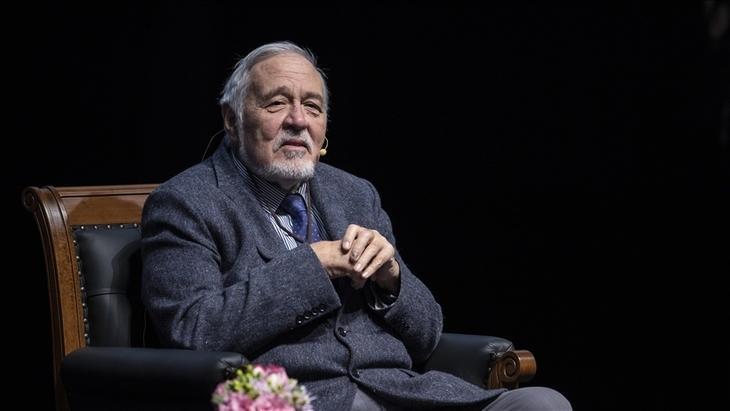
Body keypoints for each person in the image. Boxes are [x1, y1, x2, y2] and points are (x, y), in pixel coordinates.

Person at [140, 41, 571, 411]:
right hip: (298, 398)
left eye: (312, 107)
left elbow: (427, 336)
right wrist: (314, 264)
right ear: (232, 119)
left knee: (541, 403)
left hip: (401, 392)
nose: (298, 120)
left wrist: (392, 280)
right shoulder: (186, 202)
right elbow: (193, 331)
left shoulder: (354, 194)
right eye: (276, 103)